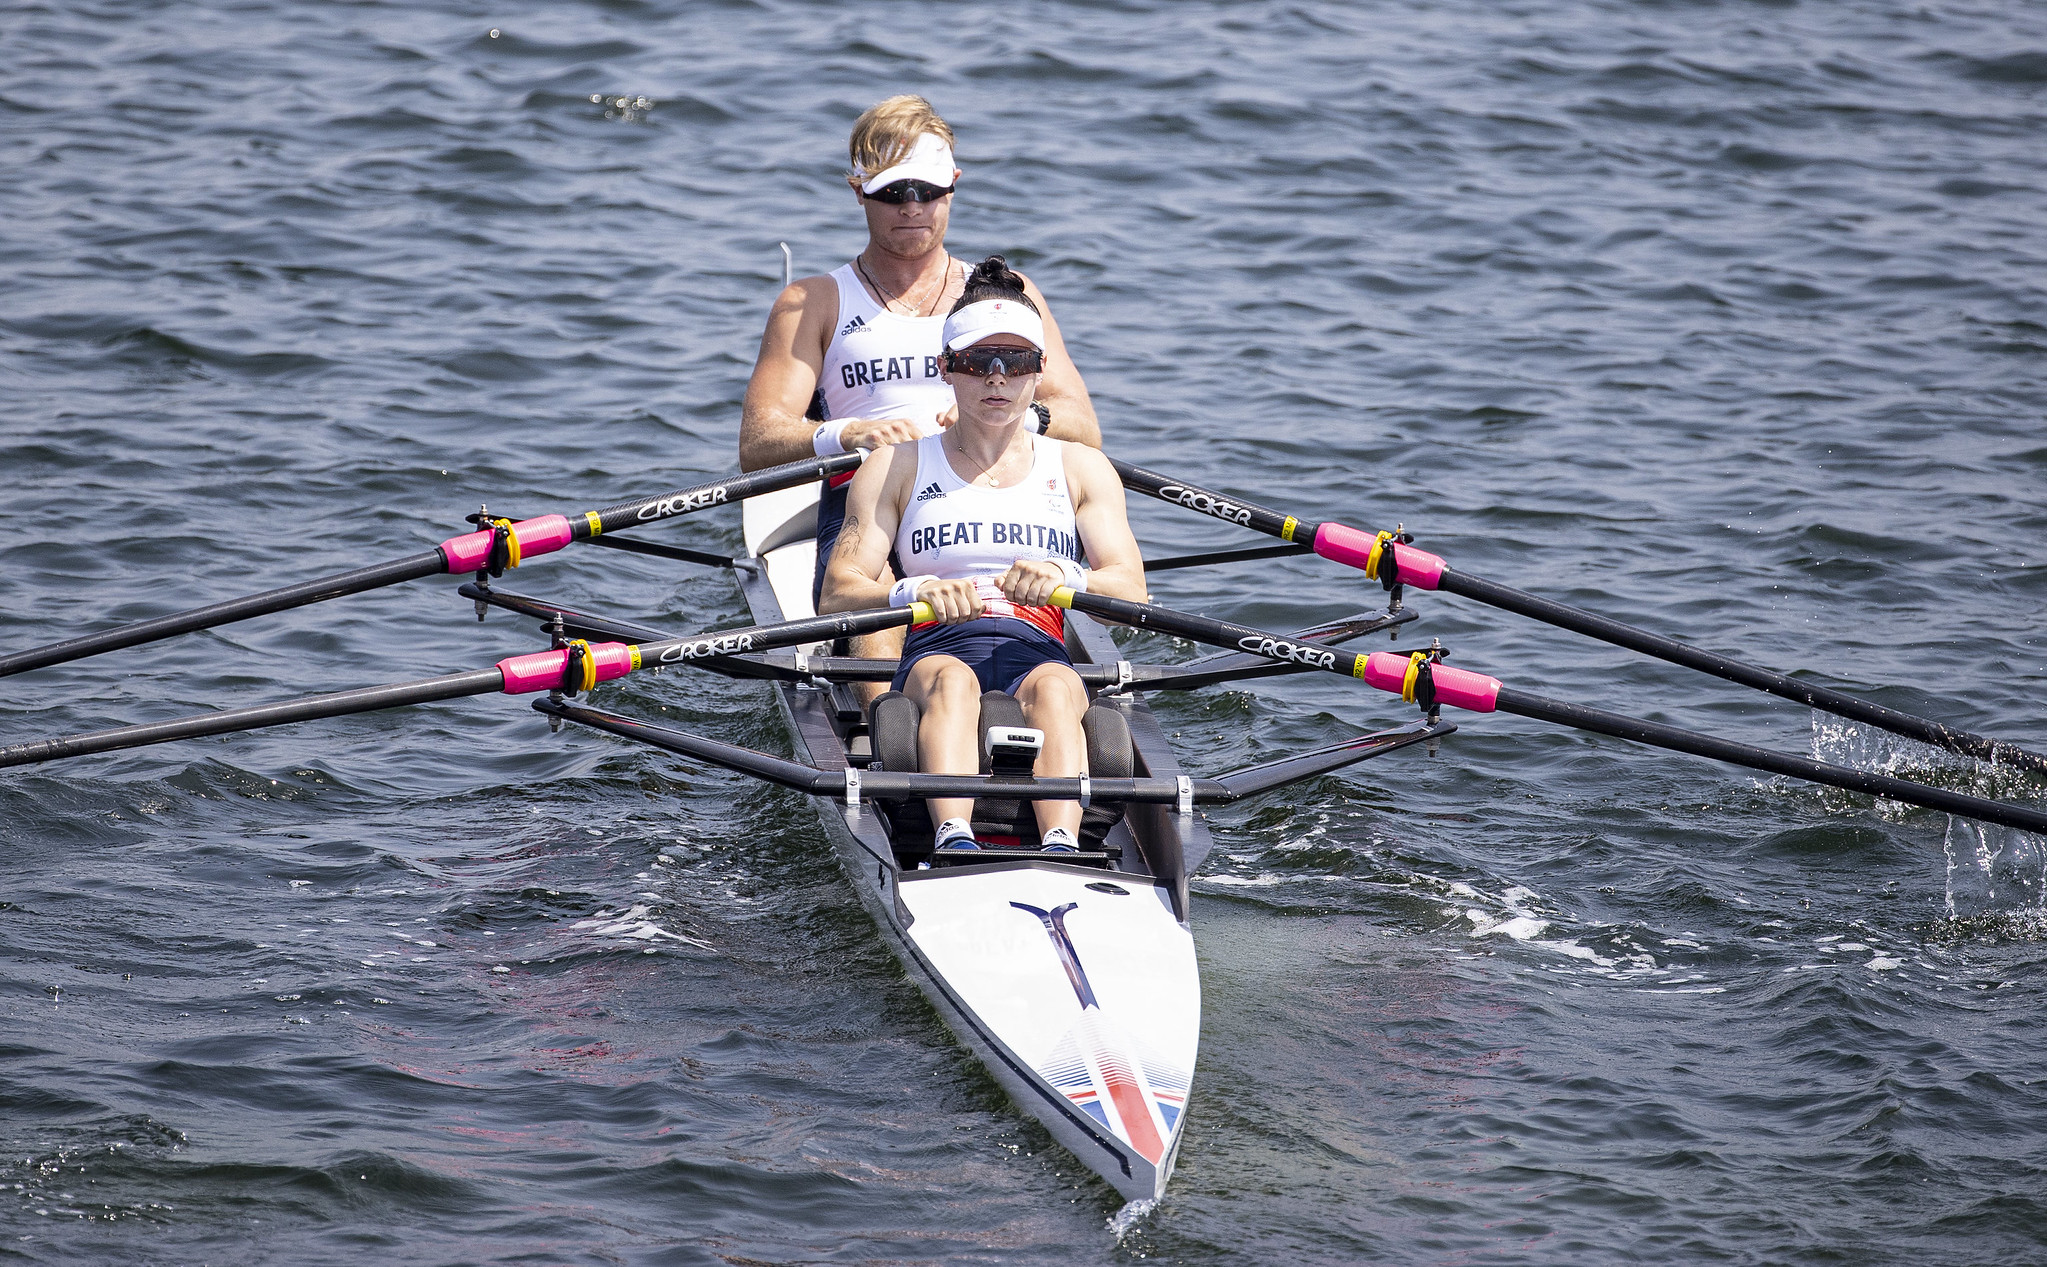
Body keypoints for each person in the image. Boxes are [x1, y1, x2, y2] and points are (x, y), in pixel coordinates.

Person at [738, 95, 1102, 698]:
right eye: (892, 193)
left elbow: (1082, 425)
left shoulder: (1005, 299)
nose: (912, 209)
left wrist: (1010, 413)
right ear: (858, 191)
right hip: (871, 493)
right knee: (872, 568)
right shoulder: (814, 303)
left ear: (953, 185)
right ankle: (886, 735)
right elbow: (758, 444)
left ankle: (1041, 692)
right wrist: (849, 434)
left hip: (994, 488)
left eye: (928, 192)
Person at [819, 258, 1144, 853]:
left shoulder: (1079, 467)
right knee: (954, 681)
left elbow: (1131, 594)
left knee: (1057, 690)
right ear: (947, 370)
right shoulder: (896, 464)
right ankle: (953, 835)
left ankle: (1063, 844)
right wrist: (910, 592)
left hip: (1038, 645)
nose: (997, 379)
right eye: (977, 362)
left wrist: (1068, 576)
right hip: (936, 648)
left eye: (1016, 362)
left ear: (1039, 372)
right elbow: (838, 591)